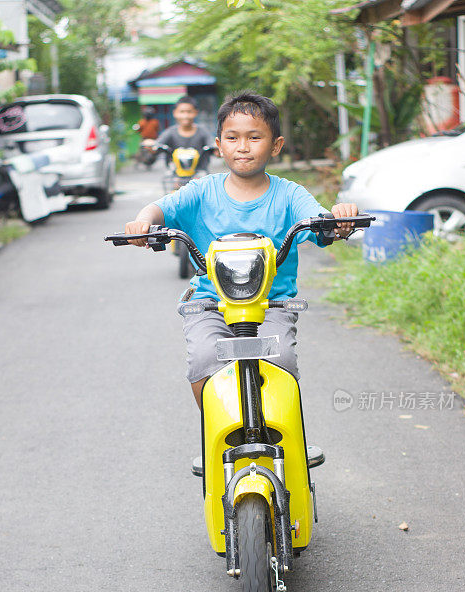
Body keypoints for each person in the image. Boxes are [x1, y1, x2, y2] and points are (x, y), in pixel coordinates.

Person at [124, 91, 358, 409]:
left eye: (254, 137)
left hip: (273, 304)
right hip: (210, 304)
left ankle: (286, 439)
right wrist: (142, 223)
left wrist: (338, 220)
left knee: (283, 361)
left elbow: (319, 220)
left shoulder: (290, 194)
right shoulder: (200, 191)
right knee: (204, 361)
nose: (243, 147)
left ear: (276, 145)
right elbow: (158, 208)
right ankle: (214, 433)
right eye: (232, 137)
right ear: (219, 145)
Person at [151, 95, 214, 173]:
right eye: (182, 112)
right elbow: (158, 144)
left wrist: (216, 149)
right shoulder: (170, 132)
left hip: (199, 174)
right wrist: (152, 146)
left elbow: (212, 144)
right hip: (175, 175)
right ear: (174, 113)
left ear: (195, 112)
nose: (185, 116)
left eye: (189, 112)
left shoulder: (203, 131)